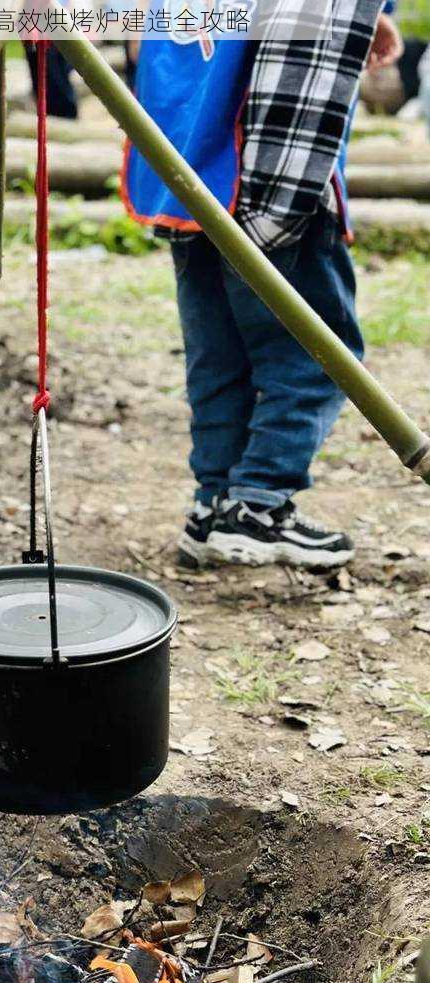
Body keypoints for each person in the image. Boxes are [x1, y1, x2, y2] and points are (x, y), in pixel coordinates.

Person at [122, 2, 403, 568]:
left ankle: (214, 504)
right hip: (268, 177)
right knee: (314, 356)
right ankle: (257, 504)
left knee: (218, 354)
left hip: (188, 172)